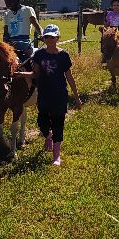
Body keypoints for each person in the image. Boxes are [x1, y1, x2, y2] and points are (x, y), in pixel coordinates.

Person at [27, 24, 81, 166]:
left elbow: (69, 77)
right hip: (44, 94)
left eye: (52, 37)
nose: (49, 40)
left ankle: (56, 156)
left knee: (58, 124)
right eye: (46, 37)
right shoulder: (39, 55)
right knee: (42, 122)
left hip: (59, 95)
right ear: (43, 38)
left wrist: (76, 97)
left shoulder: (63, 56)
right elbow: (35, 74)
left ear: (58, 38)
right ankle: (48, 136)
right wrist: (20, 74)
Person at [0, 0, 43, 110]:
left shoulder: (27, 10)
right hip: (10, 46)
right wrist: (3, 47)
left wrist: (42, 34)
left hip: (24, 45)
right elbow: (6, 33)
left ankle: (39, 89)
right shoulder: (7, 14)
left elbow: (36, 25)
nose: (6, 2)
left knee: (34, 63)